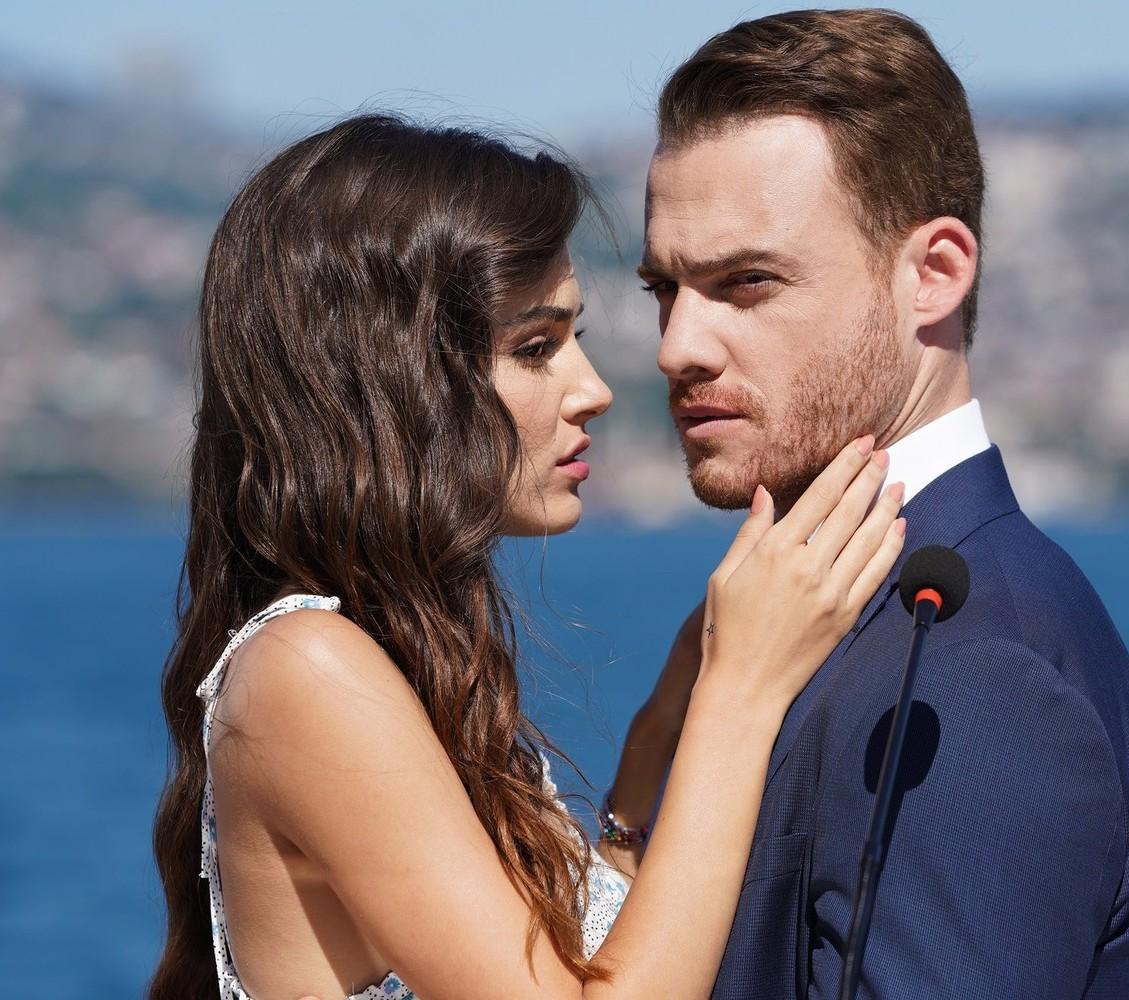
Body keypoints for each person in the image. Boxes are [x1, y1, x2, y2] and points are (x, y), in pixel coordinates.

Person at [149, 114, 908, 999]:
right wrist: (741, 693)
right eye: (535, 348)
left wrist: (659, 734)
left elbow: (583, 968)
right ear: (393, 381)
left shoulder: (399, 663)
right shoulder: (308, 669)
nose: (594, 390)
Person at [637, 9, 1129, 998]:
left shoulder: (975, 671)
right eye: (663, 289)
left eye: (746, 282)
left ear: (933, 274)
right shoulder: (811, 621)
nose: (678, 346)